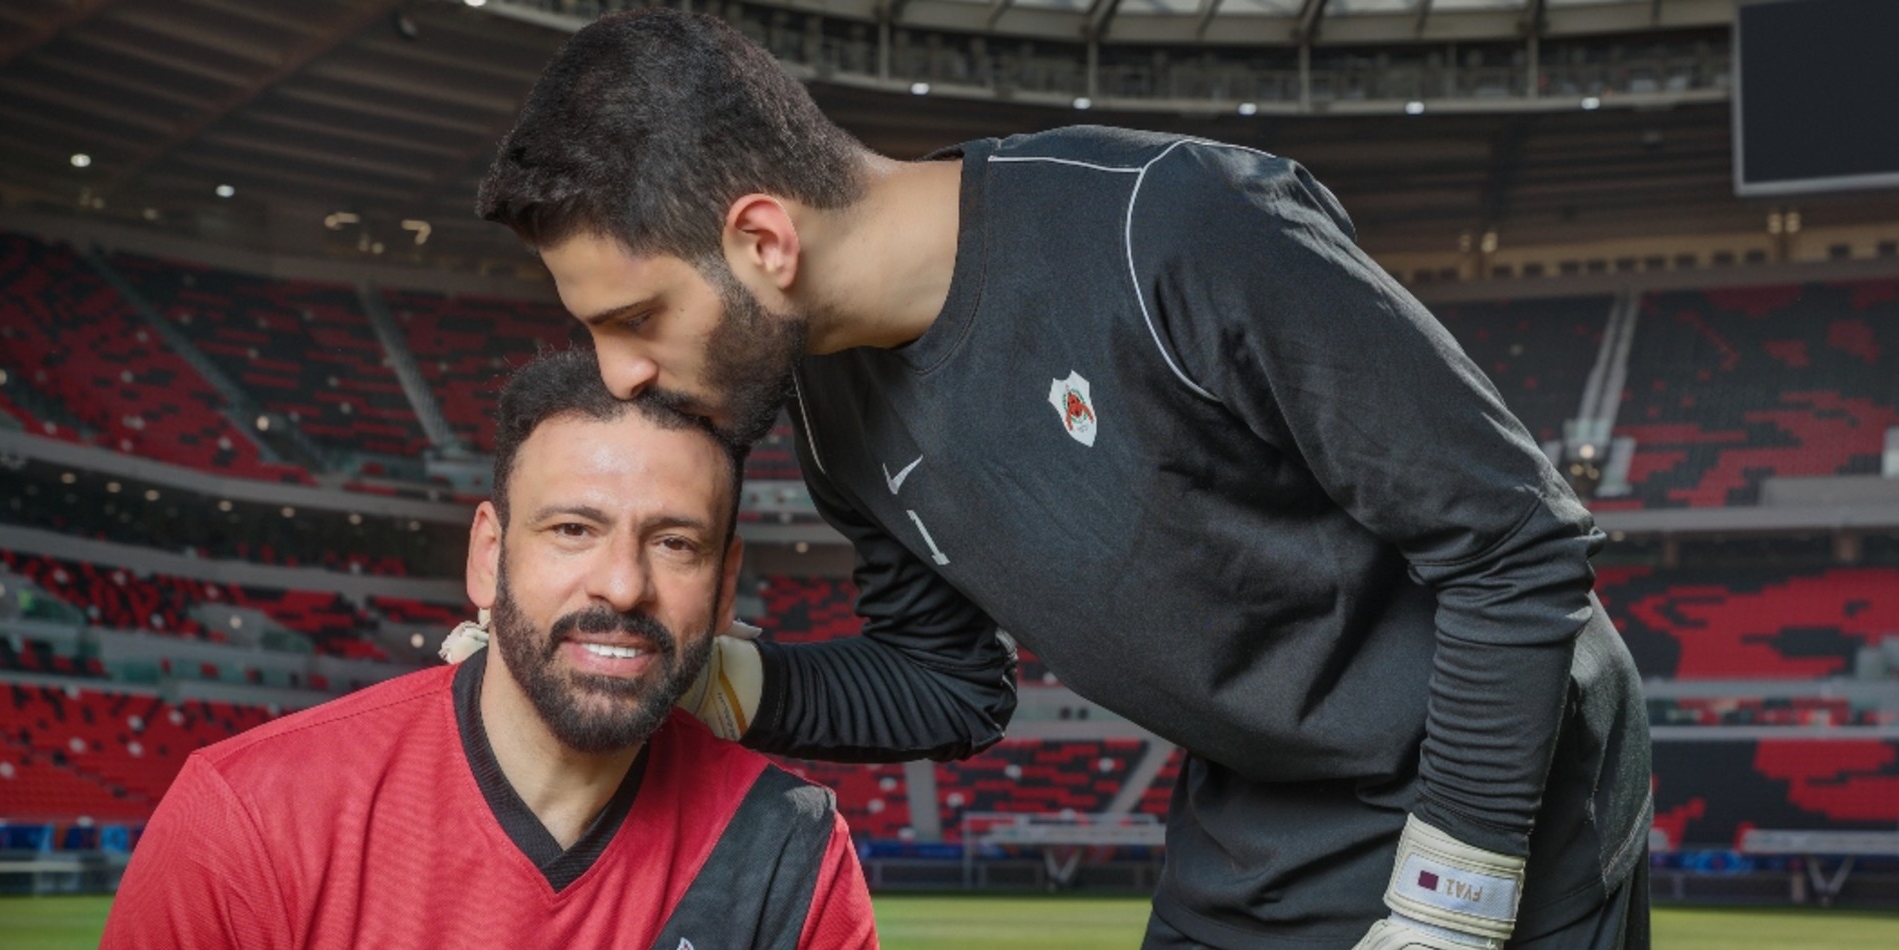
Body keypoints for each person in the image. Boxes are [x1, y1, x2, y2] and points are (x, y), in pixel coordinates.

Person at [475, 11, 1652, 949]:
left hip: (1499, 787)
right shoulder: (825, 412)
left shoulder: (1172, 225)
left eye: (634, 317)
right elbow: (946, 686)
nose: (621, 373)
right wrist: (693, 674)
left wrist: (1453, 902)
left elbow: (1512, 542)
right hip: (1254, 818)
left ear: (763, 241)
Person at [101, 349, 876, 950]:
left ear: (724, 582)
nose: (623, 585)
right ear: (488, 554)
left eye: (675, 543)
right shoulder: (249, 815)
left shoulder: (786, 845)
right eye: (573, 529)